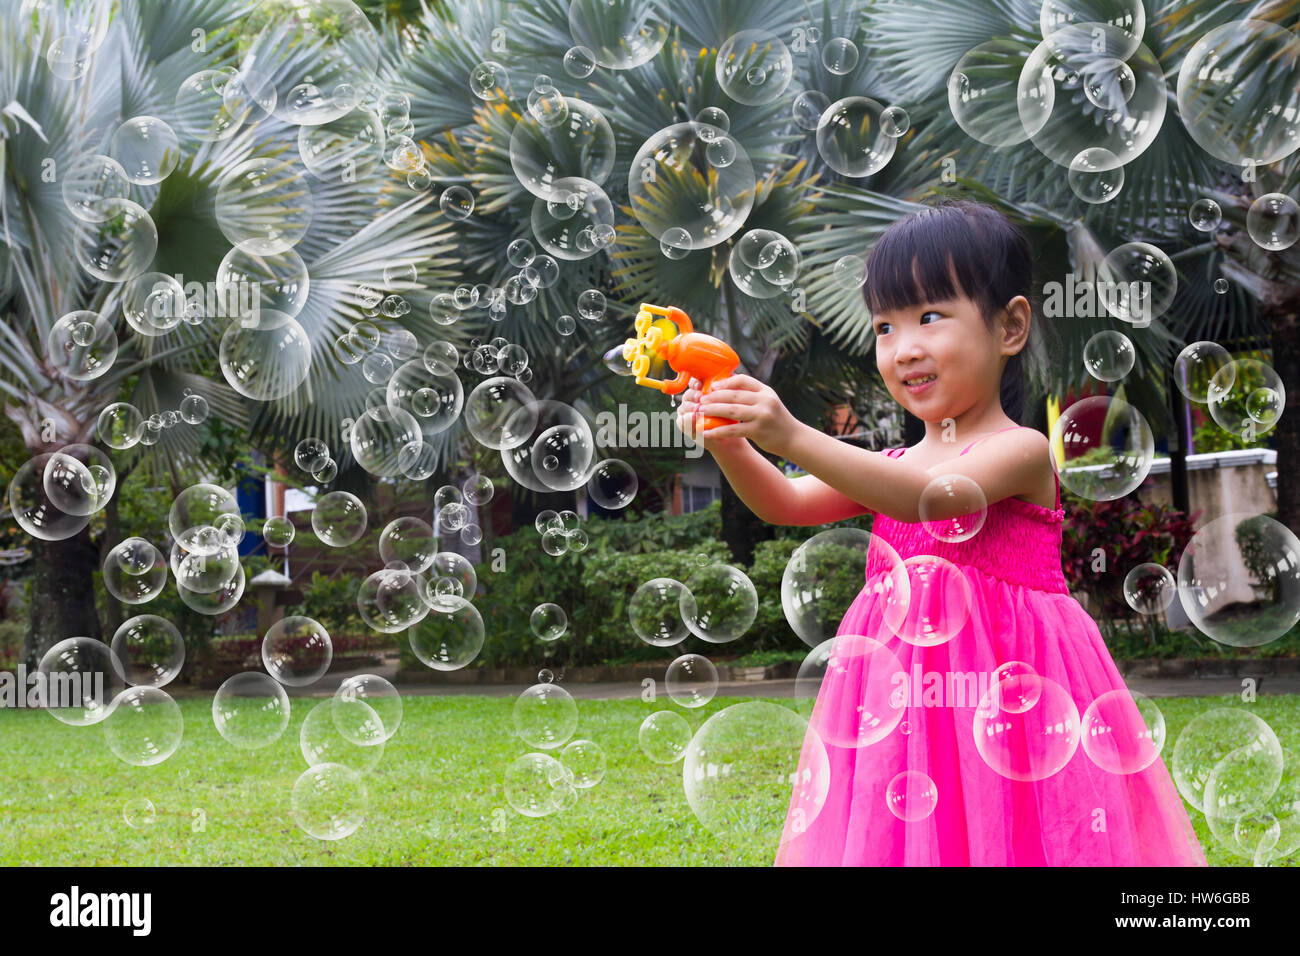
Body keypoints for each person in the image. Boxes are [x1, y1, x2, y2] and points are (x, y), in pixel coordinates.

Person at [676, 200, 1206, 866]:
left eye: (930, 317)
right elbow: (783, 501)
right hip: (902, 695)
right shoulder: (888, 466)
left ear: (1010, 326)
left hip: (1014, 688)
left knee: (1010, 831)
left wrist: (789, 433)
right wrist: (728, 442)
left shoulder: (1020, 451)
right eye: (885, 327)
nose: (906, 348)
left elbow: (933, 500)